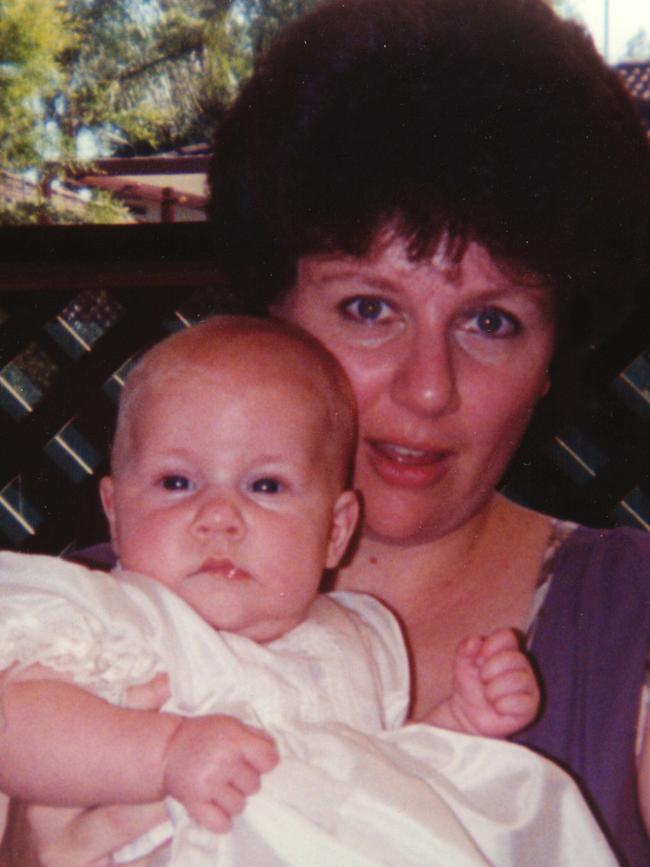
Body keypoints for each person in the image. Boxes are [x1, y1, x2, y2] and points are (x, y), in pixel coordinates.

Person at [3, 0, 650, 864]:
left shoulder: (628, 625)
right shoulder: (87, 633)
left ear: (551, 356)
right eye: (369, 307)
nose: (428, 388)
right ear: (271, 308)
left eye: (491, 322)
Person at [2, 316, 606, 867]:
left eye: (265, 486)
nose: (219, 517)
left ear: (335, 531)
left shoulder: (358, 639)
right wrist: (163, 755)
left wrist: (458, 726)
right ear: (114, 512)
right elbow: (16, 723)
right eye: (177, 481)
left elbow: (384, 778)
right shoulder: (116, 619)